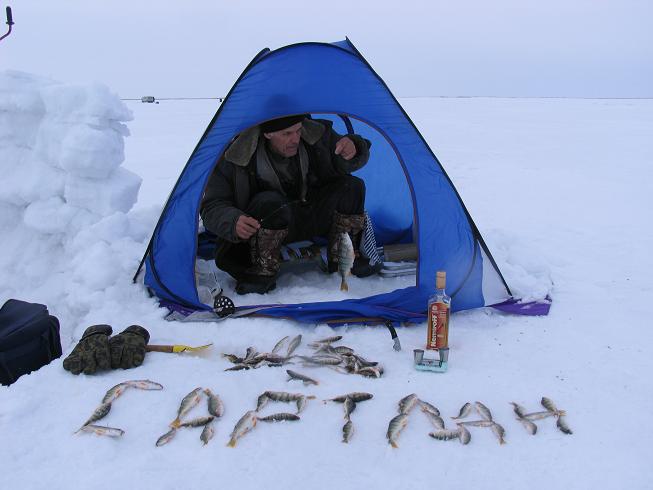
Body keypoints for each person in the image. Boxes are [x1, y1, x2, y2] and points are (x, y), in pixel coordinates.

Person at [200, 114, 379, 295]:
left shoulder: (314, 134)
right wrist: (233, 221)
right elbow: (211, 206)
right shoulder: (235, 155)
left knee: (352, 186)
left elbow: (344, 159)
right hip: (263, 225)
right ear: (268, 134)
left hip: (307, 216)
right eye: (286, 134)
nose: (295, 139)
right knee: (270, 201)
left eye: (298, 130)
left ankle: (342, 258)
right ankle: (261, 272)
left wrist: (354, 147)